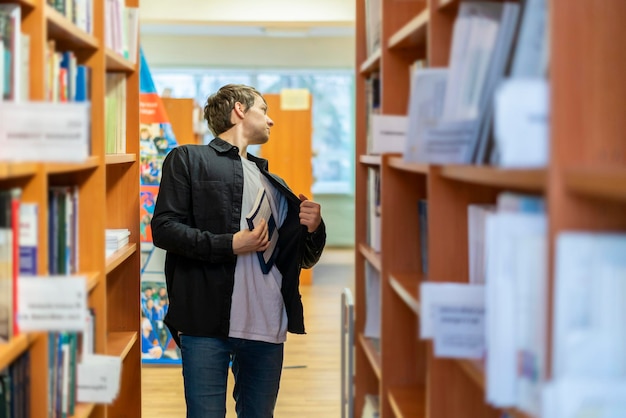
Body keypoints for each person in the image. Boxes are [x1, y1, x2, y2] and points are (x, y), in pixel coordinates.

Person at [150, 84, 326, 418]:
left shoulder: (276, 184)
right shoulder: (188, 159)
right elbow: (164, 229)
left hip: (267, 325)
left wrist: (315, 228)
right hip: (205, 324)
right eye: (264, 110)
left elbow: (301, 259)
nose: (271, 120)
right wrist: (231, 244)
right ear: (239, 109)